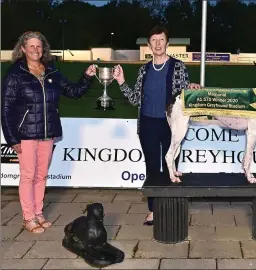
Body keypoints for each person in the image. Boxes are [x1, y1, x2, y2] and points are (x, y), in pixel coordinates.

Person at [1, 31, 96, 233]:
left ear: (43, 49)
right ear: (23, 49)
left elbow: (74, 92)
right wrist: (11, 138)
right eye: (31, 46)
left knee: (41, 175)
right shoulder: (15, 74)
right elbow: (6, 108)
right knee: (28, 176)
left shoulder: (52, 71)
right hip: (25, 134)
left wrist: (87, 77)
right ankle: (28, 218)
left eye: (39, 46)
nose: (36, 50)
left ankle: (38, 212)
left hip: (48, 133)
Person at [112, 26, 200, 226]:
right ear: (149, 45)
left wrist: (192, 88)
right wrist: (121, 81)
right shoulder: (144, 69)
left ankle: (170, 208)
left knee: (170, 165)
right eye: (154, 40)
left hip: (170, 125)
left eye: (161, 40)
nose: (158, 44)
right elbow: (135, 99)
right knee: (152, 167)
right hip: (147, 124)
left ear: (167, 43)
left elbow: (184, 94)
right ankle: (153, 210)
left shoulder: (178, 66)